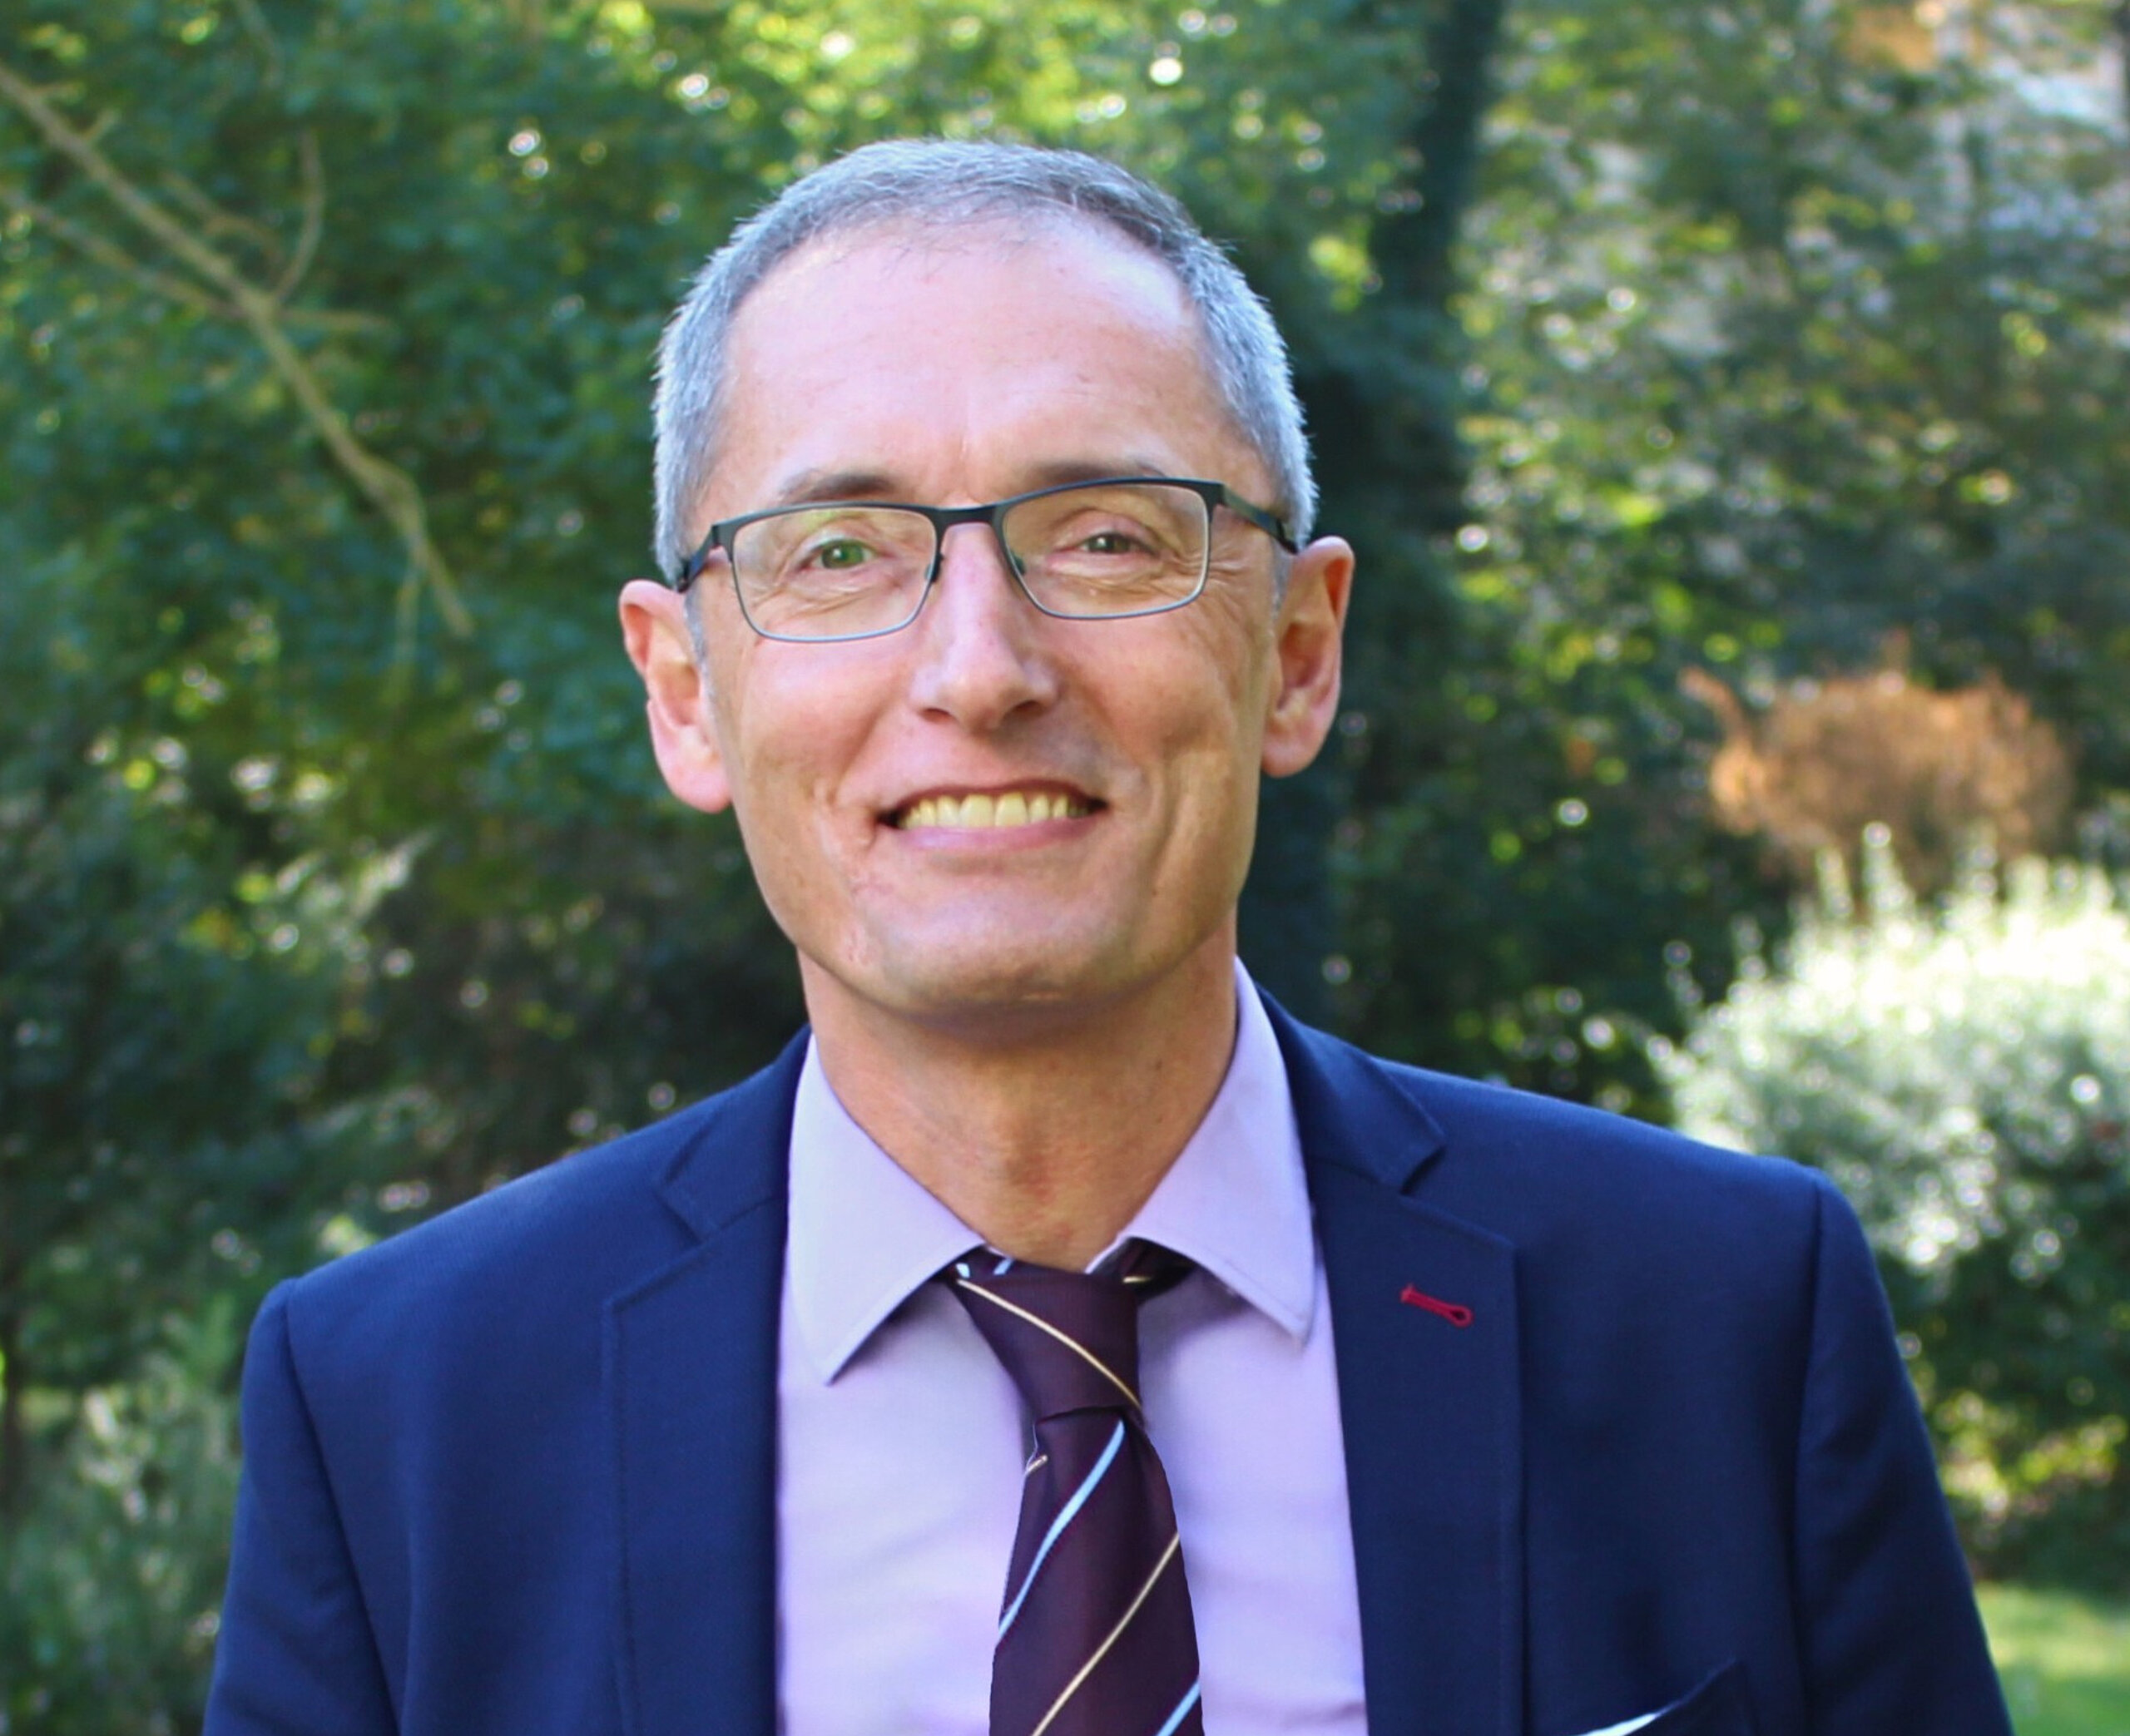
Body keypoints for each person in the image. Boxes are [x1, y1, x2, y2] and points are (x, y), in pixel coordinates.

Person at [205, 140, 2012, 1736]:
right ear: (684, 692)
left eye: (1105, 539)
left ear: (1296, 653)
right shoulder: (402, 1409)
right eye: (837, 552)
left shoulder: (1723, 1321)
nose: (979, 669)